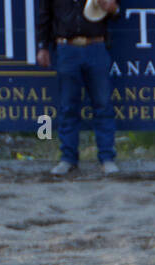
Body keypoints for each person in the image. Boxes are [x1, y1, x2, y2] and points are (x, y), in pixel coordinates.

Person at [36, 0, 121, 176]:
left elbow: (116, 11)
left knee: (102, 104)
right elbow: (44, 15)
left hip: (96, 45)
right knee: (68, 106)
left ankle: (107, 158)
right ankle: (68, 158)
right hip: (66, 47)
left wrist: (112, 8)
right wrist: (43, 47)